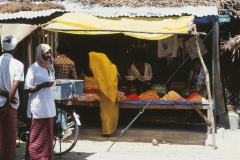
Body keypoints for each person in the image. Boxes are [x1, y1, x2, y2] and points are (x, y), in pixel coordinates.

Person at [24, 44, 56, 160]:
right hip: (38, 109)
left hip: (49, 108)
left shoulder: (50, 68)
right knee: (36, 139)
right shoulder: (33, 68)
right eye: (47, 53)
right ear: (40, 54)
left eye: (50, 52)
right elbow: (27, 88)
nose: (49, 55)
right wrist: (43, 85)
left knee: (47, 139)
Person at [0, 35, 24, 160]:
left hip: (5, 102)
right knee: (9, 141)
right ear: (15, 49)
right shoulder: (18, 65)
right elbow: (15, 85)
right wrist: (7, 102)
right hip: (11, 105)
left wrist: (3, 95)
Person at [53, 40, 80, 140]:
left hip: (55, 88)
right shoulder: (71, 62)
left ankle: (64, 129)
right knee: (62, 109)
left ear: (58, 49)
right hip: (66, 89)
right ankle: (61, 130)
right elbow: (75, 77)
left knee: (58, 110)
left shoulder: (54, 61)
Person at [89, 52, 119, 136]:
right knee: (111, 111)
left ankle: (107, 131)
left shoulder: (101, 70)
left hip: (106, 93)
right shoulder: (113, 67)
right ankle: (110, 130)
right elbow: (118, 77)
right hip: (112, 92)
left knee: (105, 112)